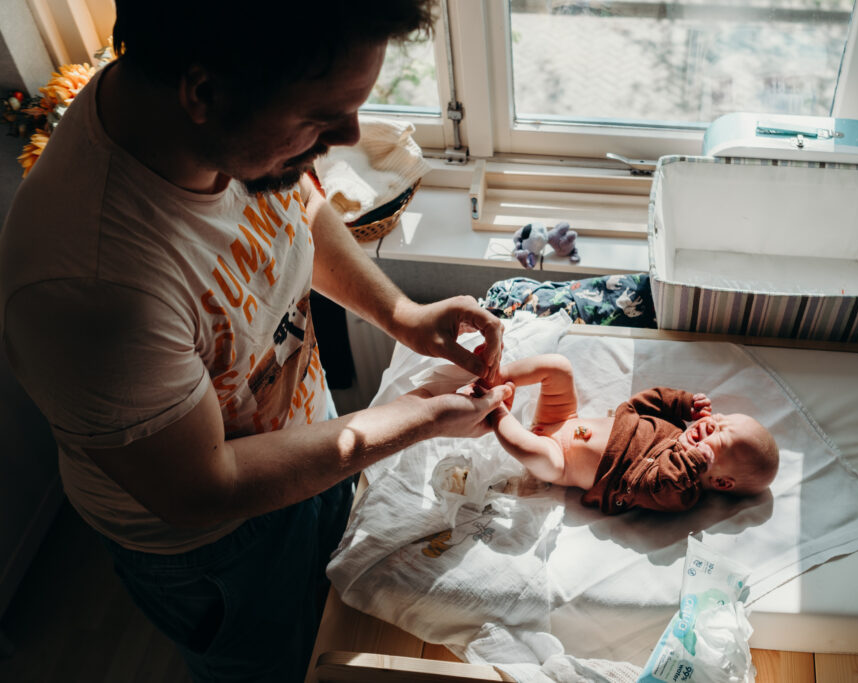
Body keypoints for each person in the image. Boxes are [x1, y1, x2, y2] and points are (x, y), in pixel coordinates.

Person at [0, 2, 508, 681]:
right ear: (203, 92)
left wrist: (403, 315)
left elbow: (294, 209)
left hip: (306, 436)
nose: (350, 134)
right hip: (218, 551)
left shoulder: (229, 127)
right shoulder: (91, 284)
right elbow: (202, 488)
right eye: (321, 119)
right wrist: (416, 417)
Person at [487, 354, 779, 514]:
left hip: (560, 459)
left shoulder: (681, 493)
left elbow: (648, 485)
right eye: (721, 418)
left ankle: (492, 409)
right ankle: (494, 377)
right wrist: (680, 403)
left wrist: (692, 463)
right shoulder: (675, 429)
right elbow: (640, 404)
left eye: (722, 437)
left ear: (721, 481)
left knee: (532, 452)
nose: (714, 423)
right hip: (565, 418)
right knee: (558, 368)